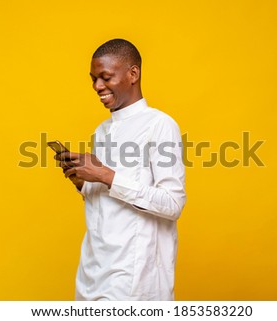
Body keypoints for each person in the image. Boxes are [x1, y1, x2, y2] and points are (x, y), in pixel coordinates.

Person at [55, 39, 186, 300]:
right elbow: (106, 203)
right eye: (93, 79)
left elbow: (173, 203)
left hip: (134, 281)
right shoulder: (101, 132)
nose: (97, 86)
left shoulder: (159, 125)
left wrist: (105, 174)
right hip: (92, 274)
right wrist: (83, 182)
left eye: (105, 77)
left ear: (133, 74)